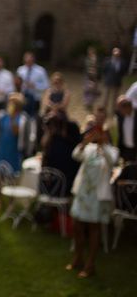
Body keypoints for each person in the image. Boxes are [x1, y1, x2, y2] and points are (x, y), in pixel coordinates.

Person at [68, 117, 118, 278]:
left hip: (97, 195)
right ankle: (78, 258)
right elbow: (75, 155)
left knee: (93, 228)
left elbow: (112, 162)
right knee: (77, 226)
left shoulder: (111, 151)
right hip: (83, 192)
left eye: (100, 133)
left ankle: (90, 265)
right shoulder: (88, 149)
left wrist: (103, 145)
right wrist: (84, 142)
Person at [40, 111, 81, 191]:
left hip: (64, 185)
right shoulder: (53, 140)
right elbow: (43, 144)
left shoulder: (71, 132)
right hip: (52, 185)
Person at [0, 93, 29, 174]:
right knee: (1, 173)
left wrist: (12, 118)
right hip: (3, 148)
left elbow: (16, 132)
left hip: (13, 150)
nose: (9, 104)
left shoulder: (22, 118)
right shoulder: (3, 116)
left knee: (12, 174)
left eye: (12, 102)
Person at [16, 51, 49, 117]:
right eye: (27, 59)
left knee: (34, 118)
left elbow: (46, 85)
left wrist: (35, 85)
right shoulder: (20, 70)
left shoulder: (40, 70)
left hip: (36, 98)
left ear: (33, 59)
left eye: (30, 59)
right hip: (23, 98)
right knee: (22, 117)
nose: (28, 61)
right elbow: (17, 85)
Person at [115, 95, 136, 163]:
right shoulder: (120, 116)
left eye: (119, 108)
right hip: (125, 150)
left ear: (127, 107)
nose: (118, 111)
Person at [83, 46, 100, 111]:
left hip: (94, 77)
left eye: (92, 52)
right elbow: (87, 67)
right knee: (87, 89)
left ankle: (91, 102)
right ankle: (87, 102)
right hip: (88, 76)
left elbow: (96, 68)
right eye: (90, 52)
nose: (91, 53)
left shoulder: (95, 59)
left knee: (93, 89)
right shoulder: (87, 59)